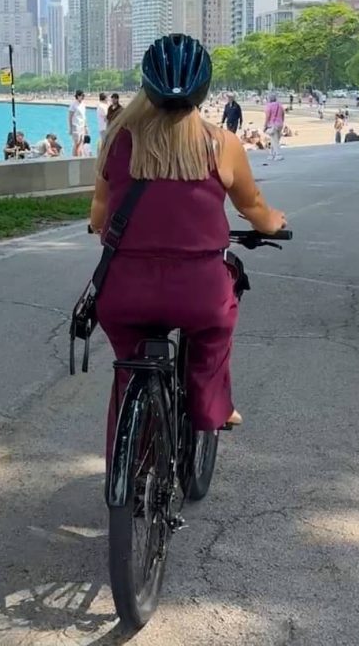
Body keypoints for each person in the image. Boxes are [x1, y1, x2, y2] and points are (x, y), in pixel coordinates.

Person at [89, 33, 286, 440]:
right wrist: (274, 223)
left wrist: (101, 229)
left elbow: (99, 213)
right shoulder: (222, 144)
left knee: (129, 368)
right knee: (212, 336)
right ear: (203, 89)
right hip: (198, 292)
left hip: (124, 291)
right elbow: (254, 208)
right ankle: (210, 405)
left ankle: (131, 454)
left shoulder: (117, 140)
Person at [263, 92, 285, 162]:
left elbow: (267, 117)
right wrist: (282, 122)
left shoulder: (268, 106)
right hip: (280, 124)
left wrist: (265, 126)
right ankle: (272, 154)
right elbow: (283, 114)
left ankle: (278, 155)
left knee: (274, 140)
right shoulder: (280, 105)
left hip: (272, 125)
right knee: (276, 140)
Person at [68, 89, 87, 157]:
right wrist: (70, 128)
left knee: (81, 142)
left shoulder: (83, 104)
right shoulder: (73, 104)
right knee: (76, 143)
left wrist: (86, 126)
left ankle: (78, 157)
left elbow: (84, 116)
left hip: (82, 126)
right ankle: (74, 157)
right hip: (75, 126)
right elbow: (70, 117)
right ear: (78, 96)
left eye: (83, 96)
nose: (83, 97)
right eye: (82, 95)